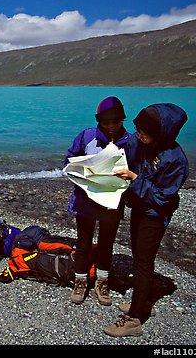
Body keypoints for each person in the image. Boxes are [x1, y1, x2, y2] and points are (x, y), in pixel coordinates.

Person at [105, 103, 189, 337]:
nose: (139, 134)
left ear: (161, 133)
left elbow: (162, 198)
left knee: (143, 259)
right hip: (139, 207)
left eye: (145, 131)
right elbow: (123, 156)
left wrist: (133, 178)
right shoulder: (138, 142)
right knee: (139, 256)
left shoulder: (175, 160)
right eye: (138, 129)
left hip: (155, 213)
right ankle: (143, 301)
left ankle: (136, 317)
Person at [65, 96, 131, 306]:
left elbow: (136, 169)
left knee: (106, 243)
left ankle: (102, 281)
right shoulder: (87, 137)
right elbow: (69, 159)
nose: (111, 127)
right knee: (83, 243)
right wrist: (78, 169)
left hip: (112, 201)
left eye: (116, 122)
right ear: (99, 121)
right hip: (86, 199)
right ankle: (80, 280)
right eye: (106, 122)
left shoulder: (130, 142)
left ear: (122, 120)